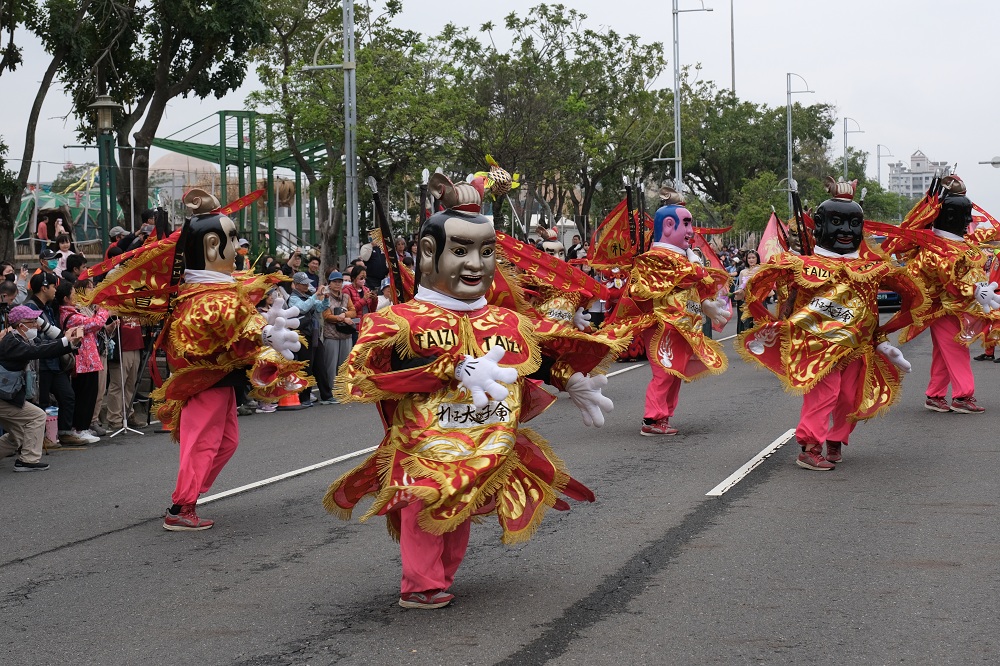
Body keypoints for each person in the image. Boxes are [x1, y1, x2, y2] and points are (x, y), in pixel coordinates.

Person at [323, 190, 611, 610]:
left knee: (459, 508)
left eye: (486, 251)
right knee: (424, 498)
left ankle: (439, 577)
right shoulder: (399, 320)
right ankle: (420, 584)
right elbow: (371, 372)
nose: (476, 264)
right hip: (425, 441)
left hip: (487, 437)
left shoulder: (505, 320)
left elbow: (528, 360)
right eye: (461, 251)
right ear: (428, 252)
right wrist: (451, 366)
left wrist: (570, 380)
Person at [738, 177, 925, 470]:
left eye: (853, 223)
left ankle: (835, 438)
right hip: (817, 345)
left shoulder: (870, 269)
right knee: (825, 393)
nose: (846, 231)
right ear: (820, 226)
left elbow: (874, 308)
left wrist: (882, 342)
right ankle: (809, 446)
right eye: (836, 222)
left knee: (850, 397)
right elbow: (768, 289)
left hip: (855, 346)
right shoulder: (804, 266)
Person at [609, 194, 731, 436]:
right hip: (662, 324)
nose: (691, 231)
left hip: (683, 325)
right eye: (686, 223)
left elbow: (694, 286)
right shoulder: (656, 259)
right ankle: (652, 418)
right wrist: (695, 262)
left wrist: (707, 305)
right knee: (664, 371)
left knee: (675, 371)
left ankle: (663, 416)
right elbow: (693, 276)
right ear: (667, 226)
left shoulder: (681, 258)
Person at [890, 175, 1000, 414]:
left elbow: (990, 233)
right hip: (942, 306)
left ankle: (935, 394)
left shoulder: (960, 242)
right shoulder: (935, 248)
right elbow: (948, 282)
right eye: (964, 215)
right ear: (948, 217)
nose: (968, 220)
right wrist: (975, 290)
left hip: (956, 306)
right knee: (957, 347)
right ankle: (963, 395)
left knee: (945, 351)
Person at [0, 305, 84, 471]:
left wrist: (70, 342)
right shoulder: (12, 341)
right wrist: (65, 341)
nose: (36, 325)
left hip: (7, 395)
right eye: (32, 322)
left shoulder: (22, 338)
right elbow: (39, 351)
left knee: (18, 436)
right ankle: (28, 460)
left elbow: (47, 345)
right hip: (4, 397)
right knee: (38, 416)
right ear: (21, 325)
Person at [25, 272, 92, 445]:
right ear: (44, 288)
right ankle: (41, 438)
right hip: (41, 362)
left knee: (67, 395)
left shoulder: (48, 306)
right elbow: (33, 339)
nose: (55, 289)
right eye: (53, 286)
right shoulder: (30, 308)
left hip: (55, 360)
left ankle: (64, 432)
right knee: (41, 401)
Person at [55, 279, 110, 441]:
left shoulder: (72, 312)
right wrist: (103, 309)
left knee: (87, 395)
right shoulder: (70, 316)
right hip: (83, 361)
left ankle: (82, 427)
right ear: (66, 298)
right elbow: (96, 323)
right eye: (73, 294)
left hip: (88, 359)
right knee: (85, 396)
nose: (76, 296)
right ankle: (80, 428)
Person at [288, 272, 329, 407]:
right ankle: (304, 397)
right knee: (306, 367)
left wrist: (326, 299)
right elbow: (303, 308)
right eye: (303, 284)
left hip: (314, 334)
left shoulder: (307, 296)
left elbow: (321, 307)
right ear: (296, 285)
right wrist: (316, 294)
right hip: (302, 336)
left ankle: (327, 395)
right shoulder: (293, 298)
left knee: (320, 366)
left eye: (307, 283)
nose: (306, 286)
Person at [319, 271, 355, 404]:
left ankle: (343, 390)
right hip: (331, 335)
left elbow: (353, 311)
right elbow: (327, 316)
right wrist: (340, 318)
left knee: (344, 365)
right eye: (335, 282)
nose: (337, 284)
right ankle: (331, 391)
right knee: (331, 365)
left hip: (346, 334)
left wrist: (344, 315)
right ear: (329, 283)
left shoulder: (346, 296)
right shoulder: (325, 297)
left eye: (340, 282)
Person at [343, 264, 377, 341]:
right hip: (354, 327)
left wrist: (374, 300)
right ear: (353, 277)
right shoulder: (347, 290)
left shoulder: (366, 289)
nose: (363, 280)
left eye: (365, 278)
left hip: (366, 326)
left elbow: (372, 310)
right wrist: (363, 300)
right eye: (361, 278)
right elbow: (349, 311)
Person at [732, 250, 762, 334]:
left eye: (753, 257)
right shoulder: (743, 272)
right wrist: (738, 292)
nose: (751, 260)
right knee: (746, 324)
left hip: (758, 300)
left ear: (757, 259)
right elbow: (741, 286)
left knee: (759, 324)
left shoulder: (761, 270)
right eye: (749, 258)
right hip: (746, 301)